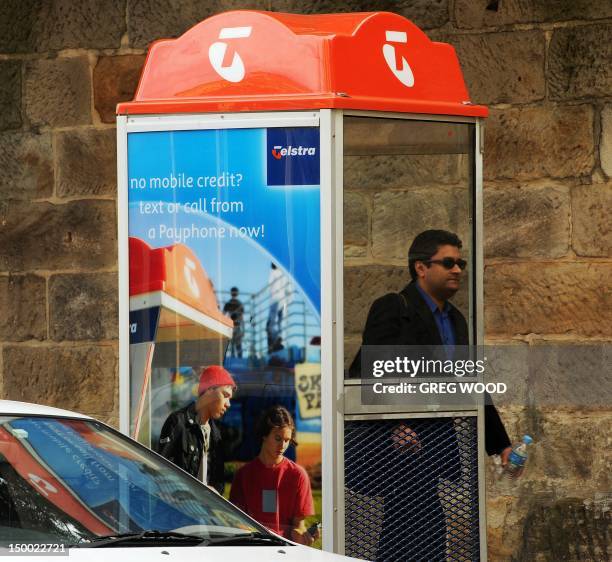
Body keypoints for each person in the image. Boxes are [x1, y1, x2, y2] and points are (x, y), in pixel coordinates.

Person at [348, 229, 512, 561]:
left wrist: (501, 443)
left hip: (433, 447)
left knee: (421, 532)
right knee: (414, 531)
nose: (457, 270)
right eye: (448, 262)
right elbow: (367, 373)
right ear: (421, 268)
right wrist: (395, 425)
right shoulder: (394, 308)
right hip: (398, 448)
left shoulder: (456, 320)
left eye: (460, 263)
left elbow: (469, 382)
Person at [230, 405, 318, 545]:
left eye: (287, 440)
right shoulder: (243, 475)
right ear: (264, 435)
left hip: (284, 552)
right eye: (278, 438)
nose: (282, 446)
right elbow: (236, 522)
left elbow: (298, 526)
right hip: (252, 551)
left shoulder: (298, 475)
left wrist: (303, 537)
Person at [157, 365, 236, 494]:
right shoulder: (178, 422)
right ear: (210, 389)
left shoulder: (216, 434)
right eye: (225, 395)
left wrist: (213, 493)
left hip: (203, 512)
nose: (228, 404)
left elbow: (218, 482)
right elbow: (161, 474)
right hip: (178, 510)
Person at [266, 263, 292, 353]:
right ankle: (280, 340)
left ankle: (276, 340)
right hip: (283, 300)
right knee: (281, 321)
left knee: (272, 323)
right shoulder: (285, 274)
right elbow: (289, 289)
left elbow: (269, 283)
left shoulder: (273, 272)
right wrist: (289, 300)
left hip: (275, 299)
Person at [223, 287, 245, 358]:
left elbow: (223, 315)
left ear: (231, 293)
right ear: (237, 293)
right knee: (238, 345)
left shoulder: (228, 303)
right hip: (237, 326)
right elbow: (242, 318)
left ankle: (234, 359)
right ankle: (240, 359)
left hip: (231, 326)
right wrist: (243, 329)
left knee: (232, 345)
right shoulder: (240, 303)